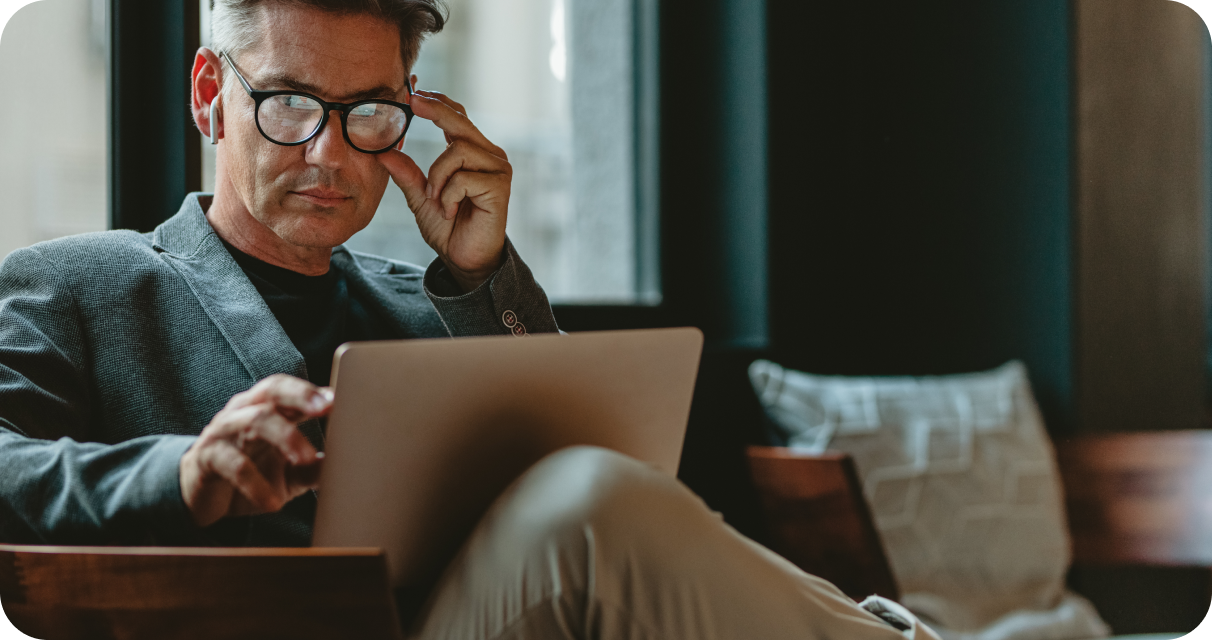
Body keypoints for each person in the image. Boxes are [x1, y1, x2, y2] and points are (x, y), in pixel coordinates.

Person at [0, 1, 940, 637]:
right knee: (594, 507)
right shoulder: (73, 285)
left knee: (602, 499)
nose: (329, 151)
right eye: (288, 103)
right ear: (212, 94)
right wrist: (188, 471)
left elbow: (617, 491)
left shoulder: (436, 308)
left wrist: (482, 270)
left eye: (370, 111)